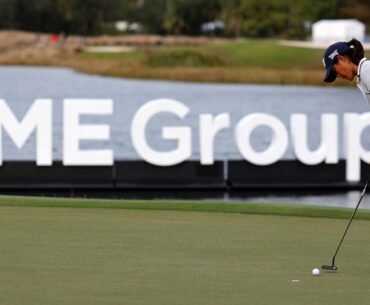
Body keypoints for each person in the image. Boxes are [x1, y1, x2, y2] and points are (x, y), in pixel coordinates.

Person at [323, 38, 370, 105]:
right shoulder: (364, 72)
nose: (338, 76)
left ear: (341, 59)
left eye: (335, 71)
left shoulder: (366, 71)